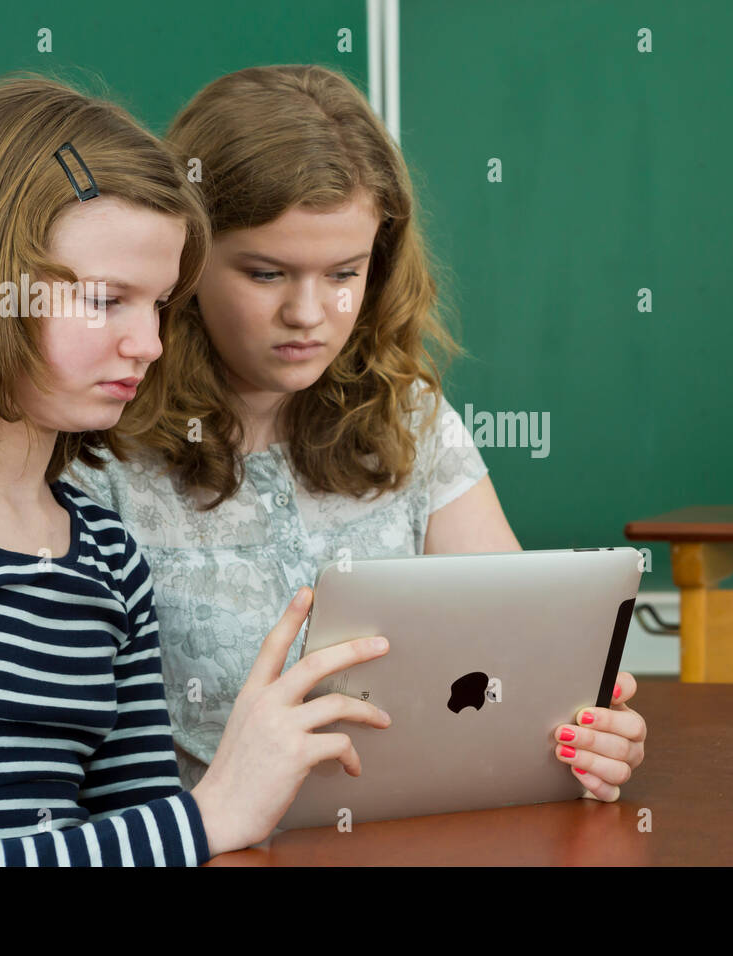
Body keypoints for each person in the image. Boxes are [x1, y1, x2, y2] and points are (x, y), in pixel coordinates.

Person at [66, 65, 647, 813]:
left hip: (412, 834)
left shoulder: (411, 421)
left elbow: (523, 659)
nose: (309, 313)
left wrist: (588, 733)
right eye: (267, 272)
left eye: (344, 271)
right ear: (184, 259)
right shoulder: (103, 444)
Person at [0, 74, 390, 866]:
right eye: (104, 300)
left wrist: (218, 810)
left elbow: (145, 843)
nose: (150, 345)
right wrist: (204, 818)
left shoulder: (106, 556)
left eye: (160, 305)